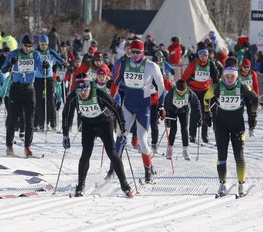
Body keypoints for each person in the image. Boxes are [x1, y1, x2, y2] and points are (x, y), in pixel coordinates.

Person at [62, 76, 133, 198]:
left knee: (112, 153)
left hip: (105, 124)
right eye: (80, 90)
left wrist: (123, 129)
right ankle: (80, 186)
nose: (82, 93)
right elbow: (66, 115)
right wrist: (65, 135)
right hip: (88, 125)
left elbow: (117, 109)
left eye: (85, 89)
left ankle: (125, 185)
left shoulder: (99, 94)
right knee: (86, 153)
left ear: (90, 87)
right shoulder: (73, 96)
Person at [110, 40, 165, 184]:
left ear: (143, 52)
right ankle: (113, 169)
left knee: (142, 140)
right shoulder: (124, 64)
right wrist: (110, 100)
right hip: (127, 106)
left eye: (137, 52)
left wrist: (161, 106)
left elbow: (161, 85)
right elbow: (116, 83)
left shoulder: (151, 66)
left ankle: (148, 171)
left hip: (143, 107)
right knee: (121, 136)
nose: (134, 55)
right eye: (132, 52)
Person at [203, 58, 259, 197]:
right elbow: (205, 98)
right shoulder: (216, 87)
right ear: (223, 76)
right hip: (221, 125)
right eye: (227, 76)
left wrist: (253, 115)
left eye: (232, 77)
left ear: (236, 77)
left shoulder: (242, 87)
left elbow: (256, 99)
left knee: (238, 155)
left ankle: (241, 184)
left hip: (237, 126)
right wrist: (206, 113)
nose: (229, 79)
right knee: (222, 156)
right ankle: (222, 183)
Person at [1, 34, 47, 156]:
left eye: (30, 46)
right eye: (26, 46)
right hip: (16, 88)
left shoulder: (36, 55)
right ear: (21, 45)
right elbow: (3, 69)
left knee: (29, 119)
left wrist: (45, 65)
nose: (27, 49)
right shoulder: (14, 53)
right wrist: (11, 62)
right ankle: (9, 146)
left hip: (29, 88)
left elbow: (43, 70)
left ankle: (27, 146)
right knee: (13, 118)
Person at [181, 48, 218, 143]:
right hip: (194, 91)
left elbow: (215, 78)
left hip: (206, 91)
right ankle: (192, 135)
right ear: (199, 56)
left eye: (206, 55)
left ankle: (204, 135)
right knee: (195, 112)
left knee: (206, 112)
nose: (204, 57)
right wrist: (186, 84)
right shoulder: (193, 64)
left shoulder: (211, 64)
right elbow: (185, 77)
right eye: (202, 56)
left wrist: (215, 91)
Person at [164, 79, 201, 160]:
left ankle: (185, 149)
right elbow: (166, 103)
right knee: (173, 129)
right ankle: (169, 149)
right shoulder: (172, 92)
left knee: (184, 129)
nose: (181, 94)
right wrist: (167, 116)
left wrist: (198, 116)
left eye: (183, 92)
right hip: (173, 111)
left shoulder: (189, 92)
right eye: (179, 92)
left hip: (184, 111)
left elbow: (196, 104)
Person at [34, 35, 65, 132]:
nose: (44, 46)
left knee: (51, 101)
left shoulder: (51, 51)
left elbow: (60, 59)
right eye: (42, 44)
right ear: (39, 43)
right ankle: (36, 124)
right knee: (37, 101)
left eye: (46, 44)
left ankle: (53, 123)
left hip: (49, 78)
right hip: (38, 79)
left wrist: (63, 62)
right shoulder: (35, 52)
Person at [238, 59, 259, 137]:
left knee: (251, 113)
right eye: (245, 67)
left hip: (250, 94)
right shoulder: (238, 74)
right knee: (240, 112)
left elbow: (256, 85)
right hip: (240, 95)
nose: (246, 69)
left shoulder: (252, 73)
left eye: (248, 67)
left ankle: (251, 128)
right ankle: (240, 128)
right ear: (242, 67)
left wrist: (256, 96)